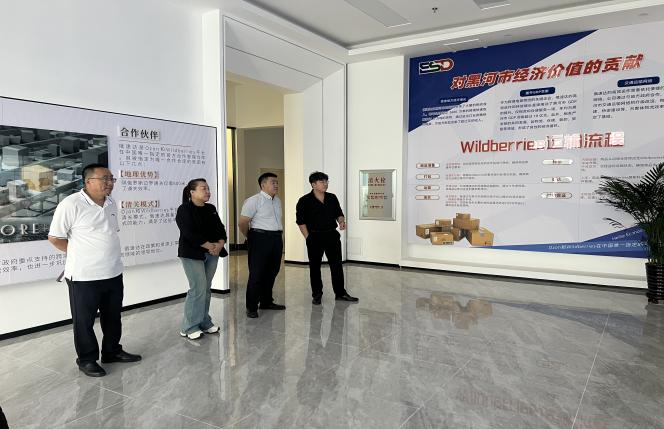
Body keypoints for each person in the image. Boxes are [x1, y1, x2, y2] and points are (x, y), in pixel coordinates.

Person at [48, 163, 141, 378]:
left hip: (113, 272)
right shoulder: (71, 204)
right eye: (104, 179)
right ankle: (87, 359)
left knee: (113, 317)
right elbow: (55, 238)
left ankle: (111, 351)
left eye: (111, 179)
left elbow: (110, 233)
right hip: (84, 276)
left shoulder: (111, 202)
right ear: (88, 181)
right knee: (84, 321)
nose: (110, 183)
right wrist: (79, 253)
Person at [176, 178, 228, 340]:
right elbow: (188, 233)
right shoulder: (184, 209)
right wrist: (209, 246)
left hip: (212, 253)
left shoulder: (210, 208)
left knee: (206, 288)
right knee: (197, 289)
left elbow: (220, 229)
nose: (207, 191)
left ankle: (204, 321)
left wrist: (220, 244)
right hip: (192, 254)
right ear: (192, 192)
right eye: (203, 188)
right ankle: (189, 327)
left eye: (208, 188)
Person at [296, 171, 358, 305]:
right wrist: (308, 238)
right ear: (313, 184)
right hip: (314, 236)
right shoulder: (304, 201)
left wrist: (341, 221)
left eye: (326, 181)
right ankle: (317, 294)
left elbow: (339, 213)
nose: (325, 184)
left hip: (331, 235)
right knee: (315, 267)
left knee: (337, 265)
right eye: (322, 182)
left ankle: (340, 293)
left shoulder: (332, 197)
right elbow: (300, 222)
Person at [238, 172, 285, 318]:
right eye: (273, 182)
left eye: (277, 182)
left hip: (276, 238)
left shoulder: (277, 201)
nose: (276, 185)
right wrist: (250, 237)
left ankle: (266, 301)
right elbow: (242, 222)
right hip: (259, 238)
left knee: (272, 271)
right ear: (263, 185)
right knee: (257, 273)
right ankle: (251, 307)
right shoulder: (253, 200)